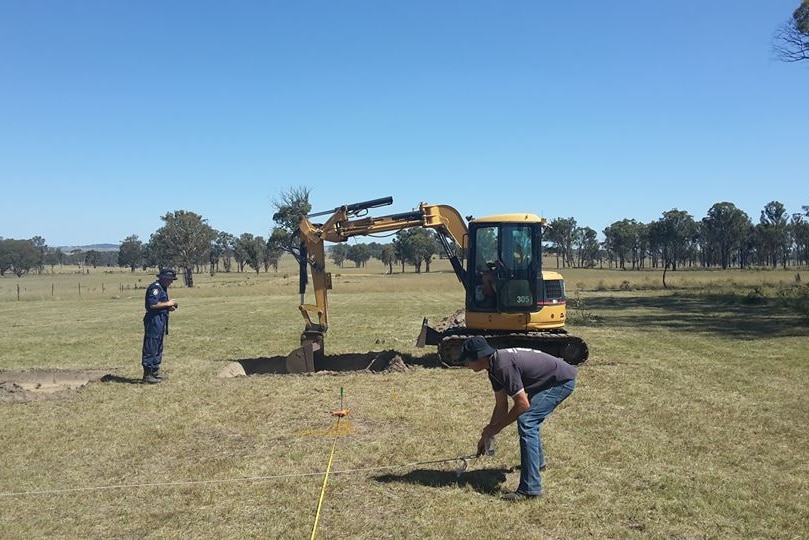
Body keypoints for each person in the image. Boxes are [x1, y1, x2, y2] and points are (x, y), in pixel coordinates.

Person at [459, 336, 577, 501]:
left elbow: (522, 404)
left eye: (467, 360)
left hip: (559, 381)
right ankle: (537, 464)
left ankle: (530, 489)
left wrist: (496, 428)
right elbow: (501, 405)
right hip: (545, 381)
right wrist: (487, 434)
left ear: (479, 357)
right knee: (528, 420)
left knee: (527, 421)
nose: (466, 364)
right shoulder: (493, 367)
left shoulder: (503, 365)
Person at [142, 268, 179, 384]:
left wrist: (168, 307)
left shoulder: (163, 288)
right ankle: (148, 373)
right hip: (154, 320)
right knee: (151, 345)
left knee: (158, 345)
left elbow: (160, 304)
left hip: (161, 319)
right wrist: (168, 303)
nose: (171, 282)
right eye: (170, 280)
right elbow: (152, 304)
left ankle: (155, 372)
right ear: (163, 278)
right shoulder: (155, 288)